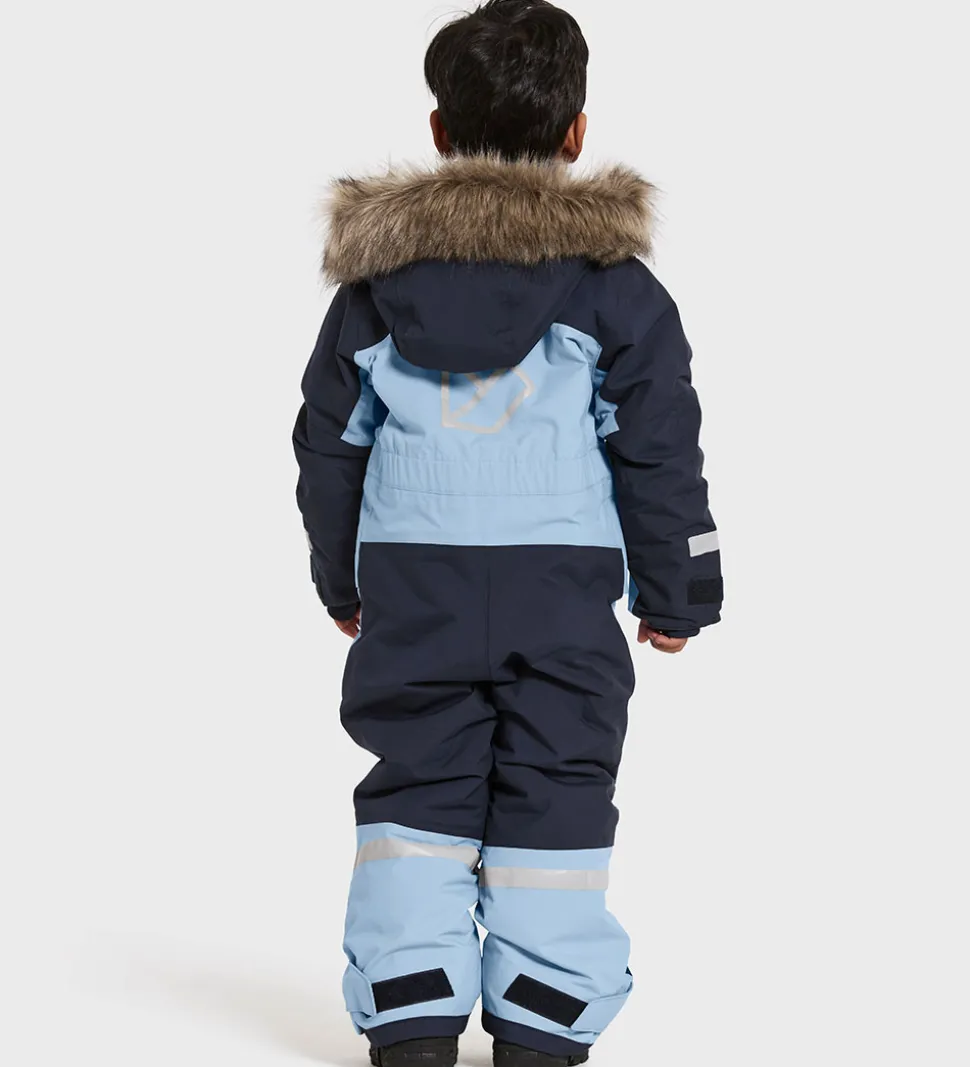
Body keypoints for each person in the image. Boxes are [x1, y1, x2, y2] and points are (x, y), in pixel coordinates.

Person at [293, 2, 723, 1064]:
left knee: (416, 785)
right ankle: (542, 1024)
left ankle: (410, 1017)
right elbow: (660, 447)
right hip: (561, 590)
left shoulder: (374, 294)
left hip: (413, 585)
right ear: (576, 133)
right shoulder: (615, 291)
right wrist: (680, 590)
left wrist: (339, 580)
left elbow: (327, 445)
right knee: (560, 784)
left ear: (440, 132)